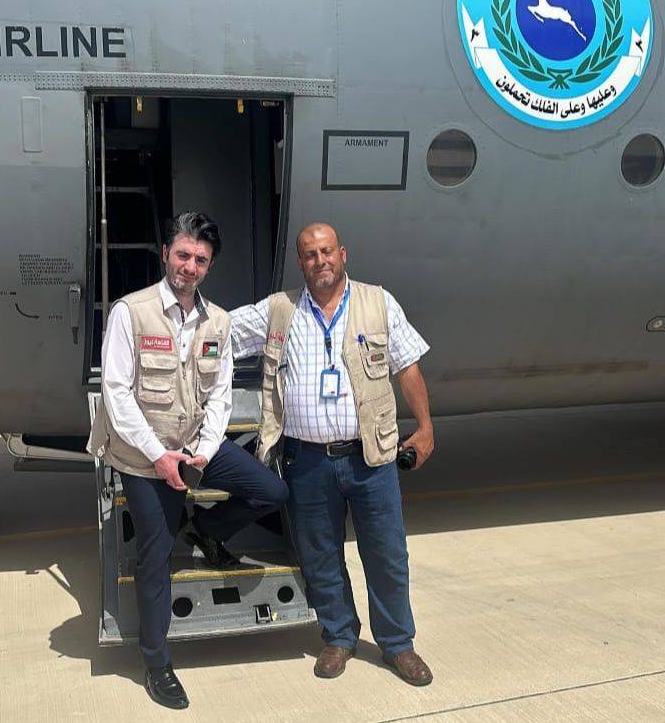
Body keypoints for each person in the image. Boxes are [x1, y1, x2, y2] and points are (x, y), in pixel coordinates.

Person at [88, 211, 288, 710]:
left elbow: (220, 393)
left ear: (209, 265)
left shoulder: (218, 321)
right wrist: (159, 456)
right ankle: (157, 662)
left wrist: (206, 448)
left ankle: (206, 529)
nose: (190, 266)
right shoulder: (130, 313)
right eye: (183, 255)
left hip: (196, 444)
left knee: (271, 491)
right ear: (166, 254)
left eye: (200, 259)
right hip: (143, 455)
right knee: (155, 554)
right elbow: (116, 392)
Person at [230, 223, 435, 686]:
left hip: (370, 457)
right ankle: (339, 636)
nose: (319, 260)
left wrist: (425, 426)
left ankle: (398, 644)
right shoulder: (279, 310)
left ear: (342, 254)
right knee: (320, 554)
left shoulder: (377, 302)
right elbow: (221, 331)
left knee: (386, 554)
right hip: (306, 461)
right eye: (310, 254)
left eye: (326, 252)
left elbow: (407, 365)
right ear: (300, 262)